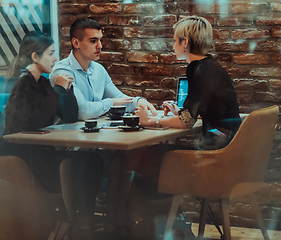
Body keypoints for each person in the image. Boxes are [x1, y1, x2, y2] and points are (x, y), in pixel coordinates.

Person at [125, 16, 242, 239]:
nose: (173, 45)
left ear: (185, 43)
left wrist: (151, 121)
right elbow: (195, 113)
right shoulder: (210, 66)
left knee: (149, 156)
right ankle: (165, 226)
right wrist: (178, 111)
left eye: (175, 40)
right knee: (154, 157)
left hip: (216, 154)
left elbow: (187, 121)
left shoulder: (198, 70)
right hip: (228, 148)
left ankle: (144, 226)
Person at [0, 31, 103, 240]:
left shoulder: (41, 83)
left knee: (91, 160)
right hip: (22, 158)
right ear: (35, 57)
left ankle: (78, 226)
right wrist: (58, 90)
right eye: (51, 53)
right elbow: (35, 118)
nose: (56, 59)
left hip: (39, 152)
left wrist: (68, 89)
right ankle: (73, 227)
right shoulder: (21, 84)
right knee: (84, 162)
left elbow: (69, 116)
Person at [50, 18, 157, 120]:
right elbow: (83, 112)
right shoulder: (62, 72)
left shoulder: (99, 69)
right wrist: (112, 102)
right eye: (93, 41)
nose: (100, 46)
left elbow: (120, 98)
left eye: (100, 40)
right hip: (65, 135)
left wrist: (138, 101)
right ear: (76, 43)